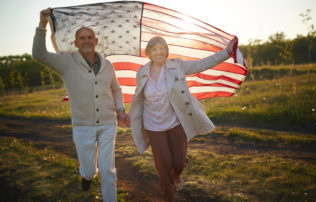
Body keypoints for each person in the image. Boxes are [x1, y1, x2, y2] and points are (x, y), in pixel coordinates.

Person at [32, 8, 128, 202]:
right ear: (76, 43)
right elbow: (39, 54)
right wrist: (42, 25)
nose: (86, 41)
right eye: (82, 38)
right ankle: (87, 176)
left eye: (90, 37)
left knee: (108, 169)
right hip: (83, 126)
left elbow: (116, 89)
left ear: (96, 41)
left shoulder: (107, 64)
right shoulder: (66, 62)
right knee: (89, 169)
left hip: (108, 124)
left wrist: (121, 110)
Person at [129, 36, 237, 201]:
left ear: (166, 50)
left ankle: (176, 175)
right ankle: (168, 197)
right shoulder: (142, 72)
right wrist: (134, 119)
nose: (159, 52)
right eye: (155, 49)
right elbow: (140, 100)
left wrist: (227, 52)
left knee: (179, 161)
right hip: (153, 126)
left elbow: (202, 64)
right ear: (149, 53)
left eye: (162, 48)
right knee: (163, 165)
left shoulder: (177, 65)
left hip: (175, 122)